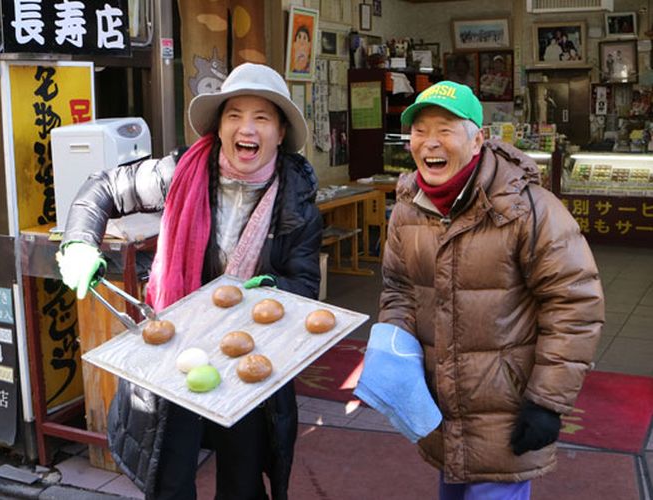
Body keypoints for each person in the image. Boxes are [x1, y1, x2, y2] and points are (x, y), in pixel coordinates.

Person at [56, 63, 322, 499]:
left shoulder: (297, 203)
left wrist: (268, 289)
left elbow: (306, 288)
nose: (246, 128)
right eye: (234, 115)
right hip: (177, 345)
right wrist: (80, 244)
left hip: (247, 353)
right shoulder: (180, 171)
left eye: (262, 117)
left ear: (279, 132)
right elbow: (100, 188)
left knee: (242, 480)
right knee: (170, 475)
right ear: (219, 127)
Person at [377, 81, 604, 499]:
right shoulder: (408, 209)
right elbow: (398, 289)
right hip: (441, 404)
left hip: (509, 406)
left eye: (445, 130)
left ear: (478, 139)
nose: (430, 143)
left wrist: (547, 401)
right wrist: (391, 357)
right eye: (420, 131)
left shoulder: (528, 208)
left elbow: (575, 303)